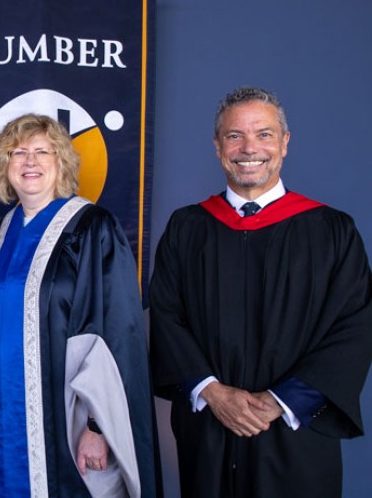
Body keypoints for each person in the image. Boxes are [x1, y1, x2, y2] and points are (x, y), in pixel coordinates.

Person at [149, 86, 372, 498]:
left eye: (264, 134)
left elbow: (354, 326)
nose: (249, 148)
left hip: (295, 430)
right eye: (235, 135)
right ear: (218, 146)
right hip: (208, 431)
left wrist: (281, 401)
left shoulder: (332, 231)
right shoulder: (187, 228)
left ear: (284, 143)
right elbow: (165, 315)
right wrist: (212, 393)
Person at [0, 114, 159, 498]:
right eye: (18, 152)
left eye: (43, 151)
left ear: (62, 163)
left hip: (65, 422)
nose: (30, 161)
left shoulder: (91, 228)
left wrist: (98, 427)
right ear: (4, 166)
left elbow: (117, 331)